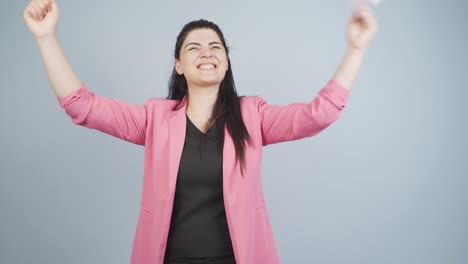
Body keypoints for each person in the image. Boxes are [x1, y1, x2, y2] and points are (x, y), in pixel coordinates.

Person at [23, 0, 378, 263]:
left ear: (226, 62)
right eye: (194, 47)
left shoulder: (253, 115)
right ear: (178, 64)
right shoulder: (154, 118)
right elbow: (81, 106)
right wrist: (46, 38)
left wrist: (356, 48)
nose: (206, 53)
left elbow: (320, 114)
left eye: (216, 47)